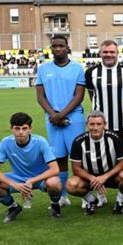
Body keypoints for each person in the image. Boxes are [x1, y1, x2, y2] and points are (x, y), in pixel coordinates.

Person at [84, 40, 123, 206]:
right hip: (100, 127)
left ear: (117, 53)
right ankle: (99, 194)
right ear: (100, 53)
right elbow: (92, 96)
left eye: (112, 52)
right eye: (105, 52)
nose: (108, 55)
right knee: (98, 160)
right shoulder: (91, 72)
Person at [35, 35, 85, 206]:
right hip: (52, 119)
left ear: (67, 47)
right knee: (59, 158)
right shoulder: (43, 69)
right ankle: (63, 196)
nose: (57, 49)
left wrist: (61, 114)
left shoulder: (77, 68)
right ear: (51, 48)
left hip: (74, 118)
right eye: (54, 46)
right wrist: (53, 115)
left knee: (79, 158)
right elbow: (40, 97)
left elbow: (79, 96)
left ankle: (86, 196)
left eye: (61, 46)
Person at [0, 112, 63, 223]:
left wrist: (32, 180)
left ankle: (55, 205)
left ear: (30, 129)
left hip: (39, 178)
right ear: (11, 129)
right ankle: (13, 207)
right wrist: (14, 184)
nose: (21, 132)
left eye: (24, 128)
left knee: (54, 183)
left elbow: (55, 169)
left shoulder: (40, 142)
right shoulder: (6, 142)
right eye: (17, 128)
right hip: (17, 178)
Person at [66, 111, 123, 215]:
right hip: (89, 179)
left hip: (110, 176)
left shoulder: (114, 138)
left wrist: (105, 177)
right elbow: (75, 168)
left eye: (99, 124)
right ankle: (92, 201)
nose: (95, 128)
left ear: (104, 125)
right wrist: (92, 178)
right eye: (92, 124)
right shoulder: (79, 141)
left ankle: (119, 202)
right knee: (71, 185)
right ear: (87, 125)